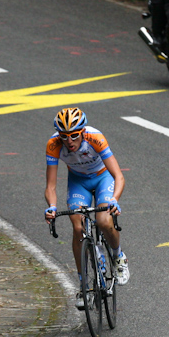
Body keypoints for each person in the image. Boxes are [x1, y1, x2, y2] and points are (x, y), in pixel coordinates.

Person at [43, 107, 129, 310]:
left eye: (74, 135)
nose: (69, 141)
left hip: (102, 178)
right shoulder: (53, 144)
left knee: (103, 220)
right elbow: (51, 186)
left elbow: (118, 176)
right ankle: (84, 285)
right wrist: (52, 207)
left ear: (82, 131)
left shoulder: (95, 137)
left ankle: (118, 256)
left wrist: (114, 199)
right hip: (78, 182)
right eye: (64, 136)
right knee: (78, 228)